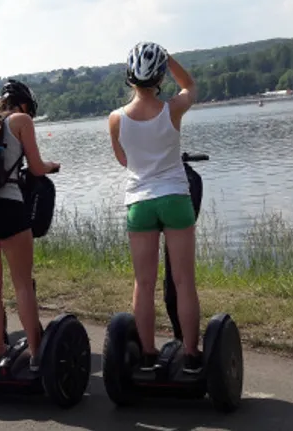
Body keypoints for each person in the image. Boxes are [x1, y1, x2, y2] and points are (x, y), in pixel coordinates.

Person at [106, 42, 202, 374]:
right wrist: (169, 58)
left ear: (128, 76)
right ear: (160, 75)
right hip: (175, 196)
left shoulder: (115, 119)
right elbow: (190, 86)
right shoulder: (172, 109)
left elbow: (124, 160)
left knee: (143, 283)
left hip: (140, 203)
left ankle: (147, 354)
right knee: (183, 281)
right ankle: (191, 354)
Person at [0, 79, 59, 371]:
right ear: (23, 104)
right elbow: (36, 167)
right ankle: (35, 355)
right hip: (7, 204)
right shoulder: (20, 121)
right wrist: (52, 167)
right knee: (22, 285)